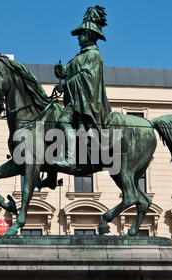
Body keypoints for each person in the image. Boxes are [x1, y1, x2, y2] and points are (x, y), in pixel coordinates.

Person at [53, 5, 111, 169]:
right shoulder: (80, 56)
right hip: (77, 100)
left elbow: (87, 77)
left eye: (81, 34)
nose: (78, 37)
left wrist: (65, 86)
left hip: (86, 103)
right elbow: (72, 72)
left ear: (89, 35)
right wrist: (62, 72)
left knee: (63, 122)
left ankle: (71, 158)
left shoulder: (94, 54)